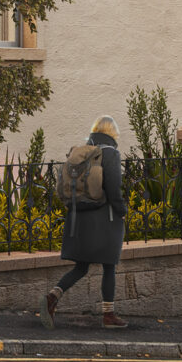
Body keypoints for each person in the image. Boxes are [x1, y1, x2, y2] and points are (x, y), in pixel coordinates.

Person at [44, 115, 128, 329]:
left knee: (81, 266)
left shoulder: (82, 152)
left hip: (80, 216)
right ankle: (109, 315)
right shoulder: (110, 153)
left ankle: (52, 297)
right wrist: (122, 211)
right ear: (113, 133)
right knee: (109, 265)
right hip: (104, 218)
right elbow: (113, 187)